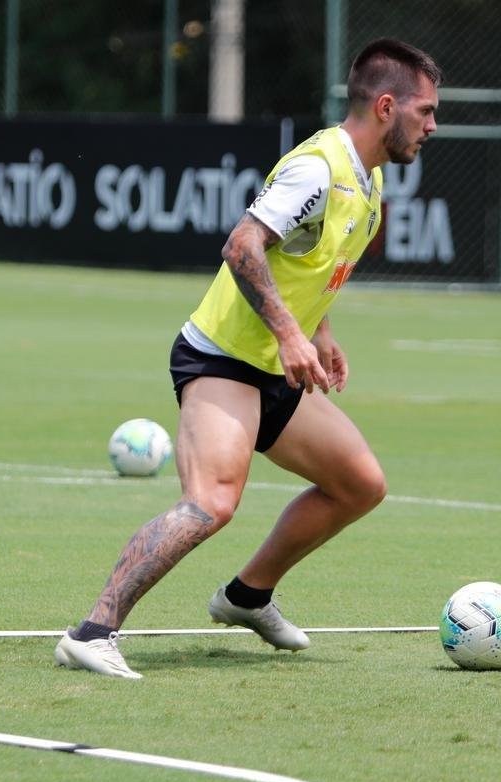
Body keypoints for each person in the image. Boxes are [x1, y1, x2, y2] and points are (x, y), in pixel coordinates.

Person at [55, 39, 441, 679]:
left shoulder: (368, 178)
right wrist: (292, 334)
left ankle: (247, 595)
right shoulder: (318, 169)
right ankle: (92, 632)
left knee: (360, 485)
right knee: (211, 503)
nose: (432, 125)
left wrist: (318, 333)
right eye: (425, 111)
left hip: (274, 366)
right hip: (222, 360)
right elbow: (243, 247)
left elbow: (305, 265)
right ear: (384, 105)